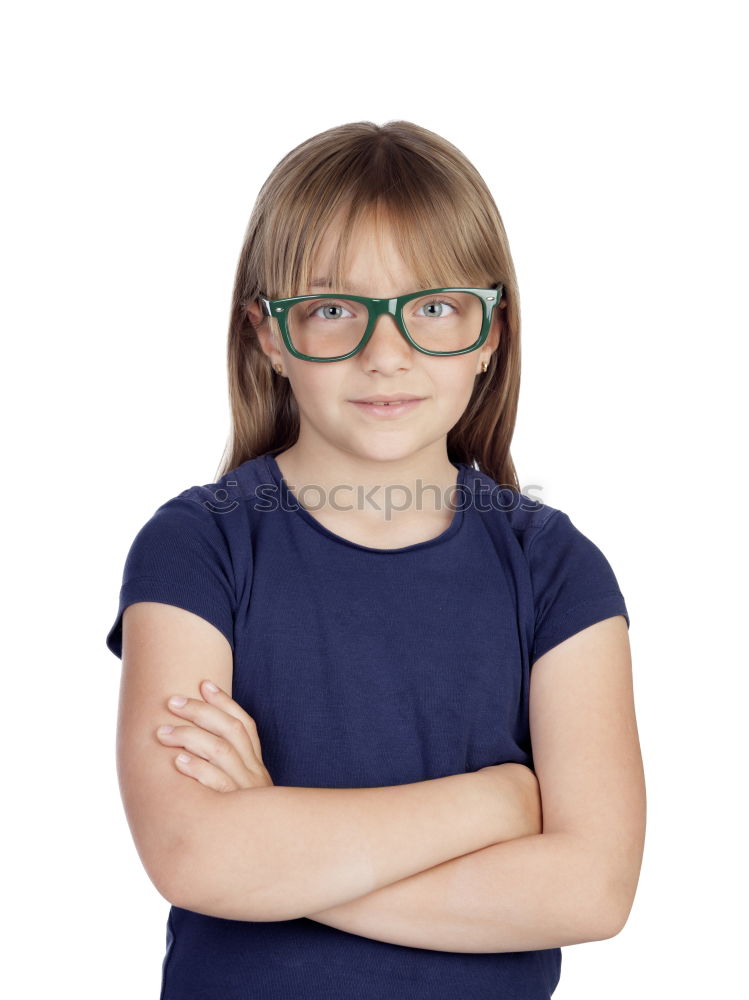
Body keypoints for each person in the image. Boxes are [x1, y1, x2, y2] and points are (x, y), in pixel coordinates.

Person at [105, 120, 645, 999]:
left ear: (489, 333)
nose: (384, 352)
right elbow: (195, 854)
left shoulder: (557, 572)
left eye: (432, 307)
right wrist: (498, 803)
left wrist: (280, 858)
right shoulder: (196, 547)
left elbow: (591, 891)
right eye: (331, 309)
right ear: (268, 335)